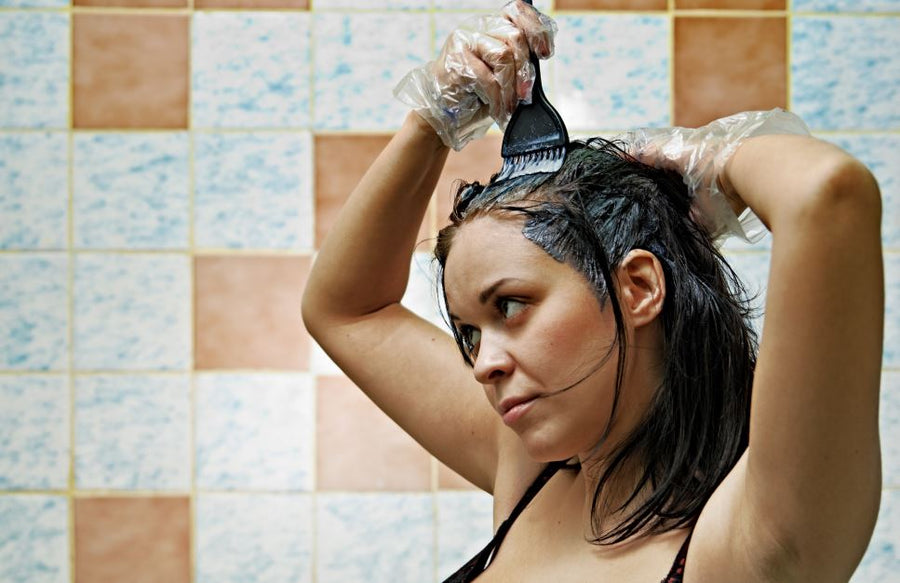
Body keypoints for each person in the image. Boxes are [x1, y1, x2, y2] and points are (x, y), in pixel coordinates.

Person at [301, 2, 884, 581]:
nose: (481, 365)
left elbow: (827, 193)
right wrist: (434, 118)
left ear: (638, 287)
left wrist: (716, 159)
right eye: (471, 333)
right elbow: (346, 311)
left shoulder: (757, 537)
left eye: (511, 306)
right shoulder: (531, 474)